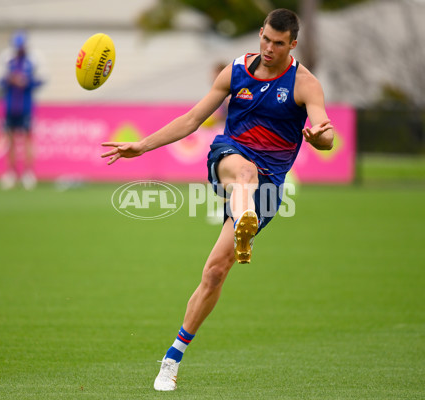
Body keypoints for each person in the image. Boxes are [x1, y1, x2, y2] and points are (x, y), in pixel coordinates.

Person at [101, 9, 334, 391]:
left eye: (279, 43)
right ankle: (246, 223)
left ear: (292, 45)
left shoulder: (305, 84)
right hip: (230, 156)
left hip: (271, 184)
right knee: (245, 173)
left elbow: (325, 132)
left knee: (214, 272)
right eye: (266, 39)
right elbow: (194, 119)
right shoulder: (235, 71)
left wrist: (321, 137)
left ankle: (173, 355)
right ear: (260, 34)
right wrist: (141, 146)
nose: (270, 48)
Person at [0, 31, 46, 190]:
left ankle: (28, 173)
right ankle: (11, 173)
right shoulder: (6, 59)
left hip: (26, 105)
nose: (20, 49)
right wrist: (9, 80)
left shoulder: (33, 60)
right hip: (10, 105)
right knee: (9, 139)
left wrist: (27, 82)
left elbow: (42, 80)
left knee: (28, 139)